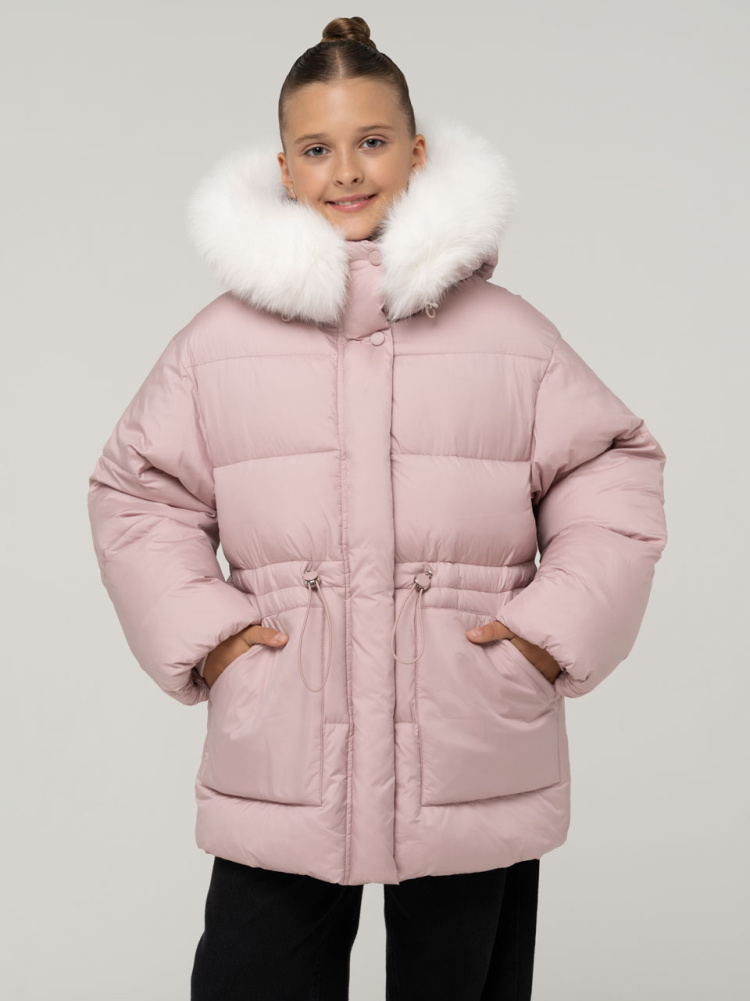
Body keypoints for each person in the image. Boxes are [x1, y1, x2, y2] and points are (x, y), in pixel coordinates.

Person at [86, 15, 668, 1001]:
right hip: (287, 746)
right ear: (284, 169)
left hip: (470, 738)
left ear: (416, 152)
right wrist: (214, 640)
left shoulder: (509, 334)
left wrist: (544, 635)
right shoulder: (217, 345)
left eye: (371, 140)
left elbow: (612, 466)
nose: (347, 170)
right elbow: (137, 490)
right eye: (317, 149)